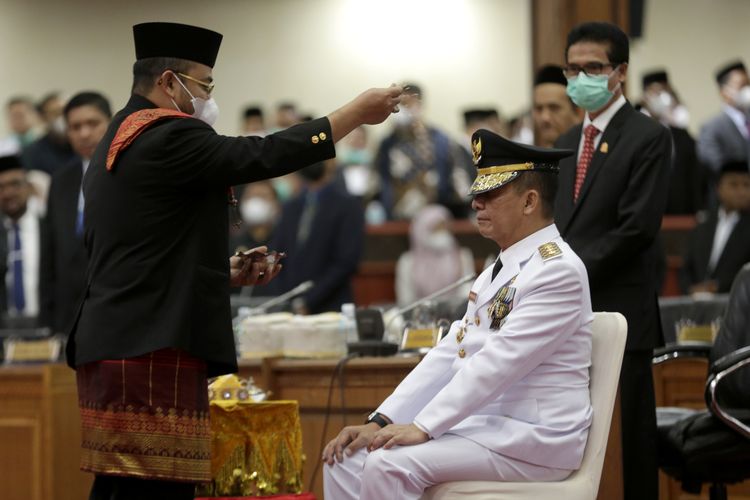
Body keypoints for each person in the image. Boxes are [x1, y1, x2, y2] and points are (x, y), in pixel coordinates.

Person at [64, 21, 402, 500]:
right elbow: (260, 154)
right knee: (154, 491)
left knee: (122, 487)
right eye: (204, 84)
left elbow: (144, 250)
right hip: (148, 341)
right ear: (168, 83)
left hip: (121, 336)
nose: (208, 96)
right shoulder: (165, 135)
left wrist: (223, 271)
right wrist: (352, 115)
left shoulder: (121, 134)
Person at [323, 129, 592, 499]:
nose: (477, 204)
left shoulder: (556, 270)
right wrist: (381, 420)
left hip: (534, 435)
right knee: (344, 459)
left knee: (387, 463)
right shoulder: (498, 268)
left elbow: (498, 363)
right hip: (487, 426)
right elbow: (450, 353)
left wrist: (423, 425)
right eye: (477, 194)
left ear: (530, 202)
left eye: (490, 194)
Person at [553, 22, 671, 500]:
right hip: (566, 320)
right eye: (573, 68)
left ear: (620, 72)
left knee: (628, 450)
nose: (581, 76)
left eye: (593, 67)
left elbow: (636, 229)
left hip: (622, 315)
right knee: (573, 449)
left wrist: (562, 273)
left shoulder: (647, 137)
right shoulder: (563, 141)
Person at [40, 91, 111, 333]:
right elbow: (50, 253)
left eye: (92, 123)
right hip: (68, 316)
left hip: (116, 309)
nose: (84, 133)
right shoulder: (61, 181)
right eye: (75, 126)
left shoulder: (129, 173)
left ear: (111, 124)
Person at [264, 159, 365, 314]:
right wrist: (282, 299)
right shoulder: (291, 206)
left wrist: (308, 302)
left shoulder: (348, 205)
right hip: (287, 309)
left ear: (331, 162)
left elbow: (347, 261)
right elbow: (276, 253)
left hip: (330, 308)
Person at [374, 83, 465, 219]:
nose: (404, 110)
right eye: (401, 105)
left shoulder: (440, 140)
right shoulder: (387, 143)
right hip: (395, 218)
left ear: (420, 105)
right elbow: (379, 179)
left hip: (434, 218)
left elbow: (455, 180)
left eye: (409, 104)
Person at [639, 69, 706, 214]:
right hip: (644, 213)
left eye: (665, 92)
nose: (662, 98)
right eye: (656, 92)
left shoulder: (681, 134)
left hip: (678, 214)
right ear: (644, 96)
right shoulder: (632, 130)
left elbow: (692, 176)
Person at [679, 161, 750, 295]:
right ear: (719, 188)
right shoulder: (703, 224)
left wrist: (717, 287)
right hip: (695, 302)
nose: (742, 192)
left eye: (746, 185)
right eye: (734, 185)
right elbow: (686, 267)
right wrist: (690, 288)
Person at [395, 204, 474, 308]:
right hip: (420, 319)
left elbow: (466, 292)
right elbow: (405, 300)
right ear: (421, 232)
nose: (443, 234)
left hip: (457, 317)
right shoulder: (407, 262)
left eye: (445, 229)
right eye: (436, 229)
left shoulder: (462, 256)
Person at [0, 154, 43, 325]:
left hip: (46, 326)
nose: (8, 193)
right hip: (5, 330)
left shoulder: (47, 228)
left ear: (30, 188)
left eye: (15, 184)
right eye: (1, 187)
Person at [697, 61, 750, 176]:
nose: (747, 90)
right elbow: (714, 167)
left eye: (748, 84)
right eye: (742, 86)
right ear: (724, 92)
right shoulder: (711, 128)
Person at [22, 91, 77, 176]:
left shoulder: (86, 143)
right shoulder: (33, 153)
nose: (63, 117)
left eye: (67, 111)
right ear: (43, 118)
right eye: (56, 113)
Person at [532, 64, 581, 148]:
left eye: (554, 108)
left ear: (577, 112)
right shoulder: (531, 159)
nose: (545, 118)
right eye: (539, 109)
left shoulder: (587, 158)